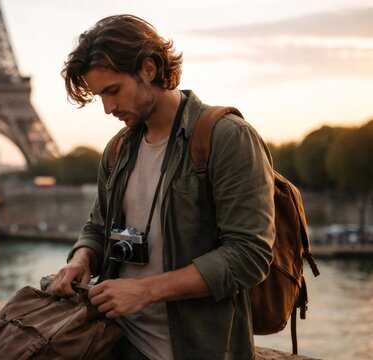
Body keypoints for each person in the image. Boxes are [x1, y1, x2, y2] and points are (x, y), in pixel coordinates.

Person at [50, 15, 275, 360]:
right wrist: (83, 258)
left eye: (113, 91)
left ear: (149, 69)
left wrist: (145, 291)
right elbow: (98, 227)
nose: (108, 108)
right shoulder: (117, 149)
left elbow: (250, 254)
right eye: (100, 96)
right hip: (114, 341)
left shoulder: (227, 137)